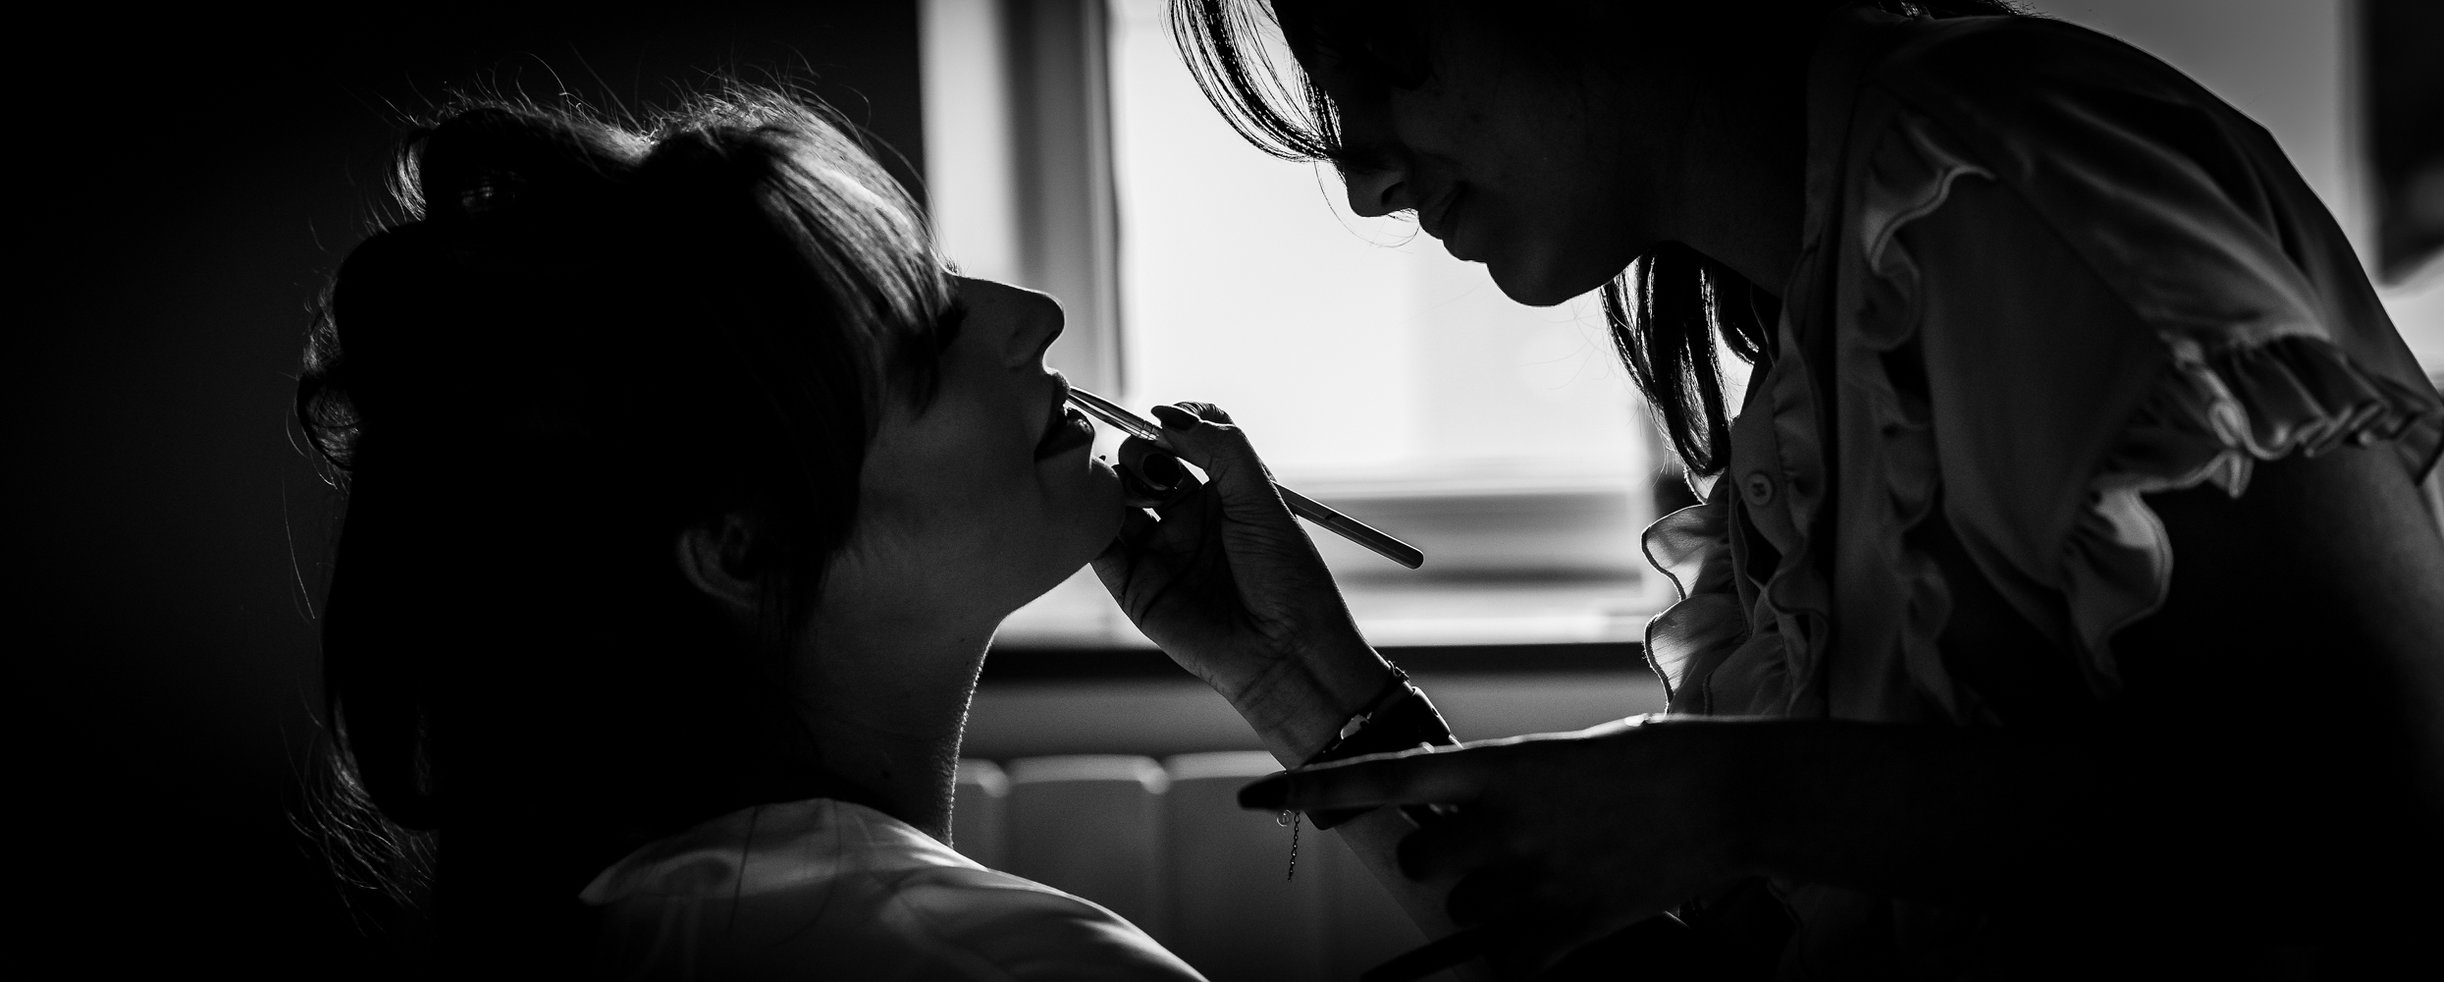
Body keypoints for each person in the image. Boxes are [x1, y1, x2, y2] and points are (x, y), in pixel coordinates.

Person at [1088, 1, 2444, 978]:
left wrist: (1747, 794)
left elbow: (2379, 824)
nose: (1368, 177)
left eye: (1377, 59)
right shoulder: (1805, 374)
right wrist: (1302, 677)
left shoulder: (2008, 175)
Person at [297, 88, 1207, 980]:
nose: (1037, 315)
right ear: (746, 549)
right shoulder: (1018, 962)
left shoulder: (632, 921)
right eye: (927, 337)